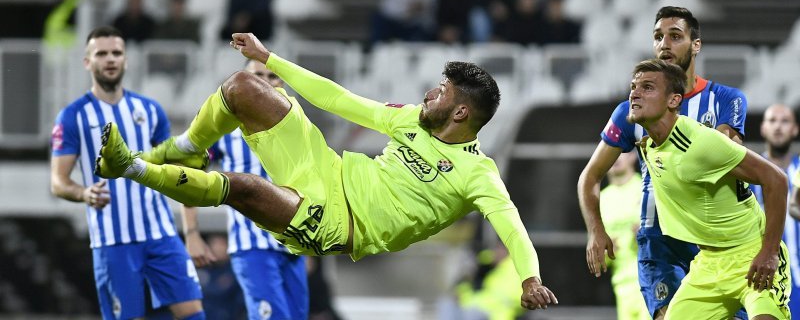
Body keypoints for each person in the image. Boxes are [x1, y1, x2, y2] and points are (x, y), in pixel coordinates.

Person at [95, 32, 558, 312]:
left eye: (441, 92)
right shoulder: (411, 120)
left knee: (243, 187)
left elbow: (513, 229)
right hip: (325, 167)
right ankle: (187, 147)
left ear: (460, 113)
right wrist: (270, 59)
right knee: (243, 86)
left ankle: (130, 166)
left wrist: (530, 279)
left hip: (339, 223)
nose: (429, 94)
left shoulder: (478, 173)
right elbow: (339, 99)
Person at [577, 5, 748, 319]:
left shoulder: (725, 99)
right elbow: (589, 177)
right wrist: (595, 230)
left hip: (713, 241)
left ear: (695, 45)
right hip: (659, 242)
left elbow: (723, 157)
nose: (664, 44)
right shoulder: (631, 111)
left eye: (675, 36)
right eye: (658, 37)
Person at [49, 26, 204, 320]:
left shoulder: (150, 110)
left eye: (116, 53)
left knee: (193, 313)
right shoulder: (73, 116)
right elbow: (58, 182)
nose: (110, 59)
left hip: (161, 234)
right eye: (102, 54)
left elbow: (179, 172)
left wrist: (192, 232)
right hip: (113, 240)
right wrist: (83, 193)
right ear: (87, 62)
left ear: (126, 60)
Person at [628, 59, 790, 318]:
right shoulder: (650, 146)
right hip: (708, 263)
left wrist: (769, 253)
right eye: (633, 87)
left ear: (674, 100)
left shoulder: (700, 142)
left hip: (752, 255)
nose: (635, 93)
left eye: (647, 87)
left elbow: (777, 180)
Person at [183, 60, 308, 320]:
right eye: (257, 75)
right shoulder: (223, 127)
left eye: (272, 76)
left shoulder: (297, 127)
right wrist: (192, 234)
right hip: (252, 246)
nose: (265, 82)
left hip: (293, 246)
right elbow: (188, 174)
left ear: (281, 83)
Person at [754, 104, 800, 318]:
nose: (778, 127)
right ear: (763, 128)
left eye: (785, 121)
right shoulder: (748, 173)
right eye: (772, 121)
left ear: (795, 129)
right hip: (761, 281)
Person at [599, 151, 649, 320]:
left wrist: (646, 236)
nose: (615, 158)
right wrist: (606, 252)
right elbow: (600, 260)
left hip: (650, 279)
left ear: (632, 156)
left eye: (620, 152)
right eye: (610, 153)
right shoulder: (601, 199)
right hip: (621, 285)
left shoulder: (647, 189)